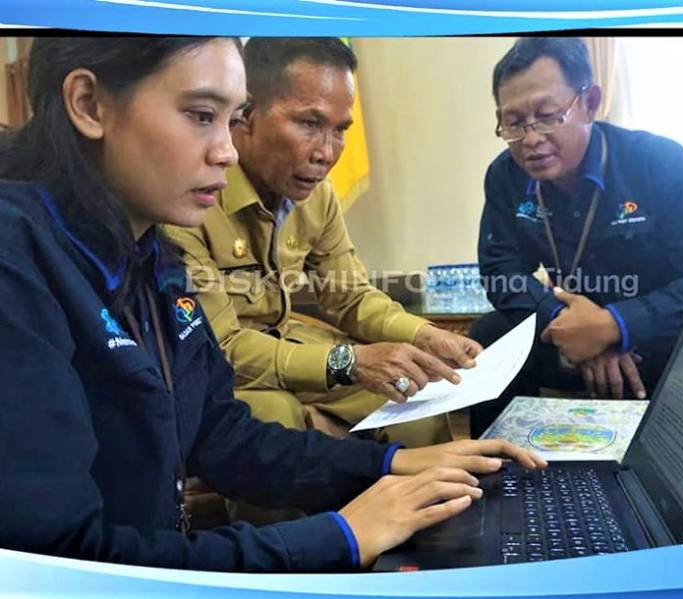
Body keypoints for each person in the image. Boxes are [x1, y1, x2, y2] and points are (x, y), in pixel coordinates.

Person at [0, 36, 546, 572]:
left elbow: (219, 432)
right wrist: (336, 538)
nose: (226, 150)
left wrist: (391, 462)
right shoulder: (22, 262)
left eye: (229, 117)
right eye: (199, 115)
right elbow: (62, 561)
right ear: (90, 105)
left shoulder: (151, 252)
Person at [166, 38, 481, 448]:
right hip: (227, 372)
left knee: (416, 404)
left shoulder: (316, 196)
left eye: (340, 130)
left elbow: (349, 297)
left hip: (298, 354)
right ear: (245, 114)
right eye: (310, 124)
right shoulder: (189, 198)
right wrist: (345, 362)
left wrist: (424, 335)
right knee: (278, 423)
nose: (328, 153)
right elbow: (222, 346)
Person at [471, 37, 683, 436]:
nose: (531, 138)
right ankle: (492, 472)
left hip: (660, 342)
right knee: (492, 335)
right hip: (567, 338)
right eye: (514, 123)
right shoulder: (506, 176)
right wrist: (566, 326)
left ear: (589, 102)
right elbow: (501, 269)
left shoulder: (660, 162)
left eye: (547, 115)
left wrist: (615, 326)